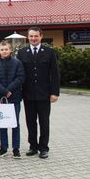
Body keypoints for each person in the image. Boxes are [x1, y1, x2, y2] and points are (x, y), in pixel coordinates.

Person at [17, 27, 60, 159]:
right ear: (27, 37)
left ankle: (43, 148)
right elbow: (19, 74)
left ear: (41, 36)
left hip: (44, 94)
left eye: (36, 36)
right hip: (28, 94)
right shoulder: (22, 52)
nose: (33, 38)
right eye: (31, 36)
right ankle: (33, 146)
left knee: (44, 122)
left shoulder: (49, 52)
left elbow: (55, 74)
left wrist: (55, 93)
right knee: (30, 122)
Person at [0, 40, 25, 159]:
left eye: (6, 49)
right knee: (3, 124)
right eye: (2, 49)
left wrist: (10, 89)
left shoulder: (17, 63)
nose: (4, 51)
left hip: (14, 97)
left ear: (10, 50)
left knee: (15, 124)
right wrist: (4, 91)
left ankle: (16, 149)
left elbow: (21, 77)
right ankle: (3, 148)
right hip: (1, 98)